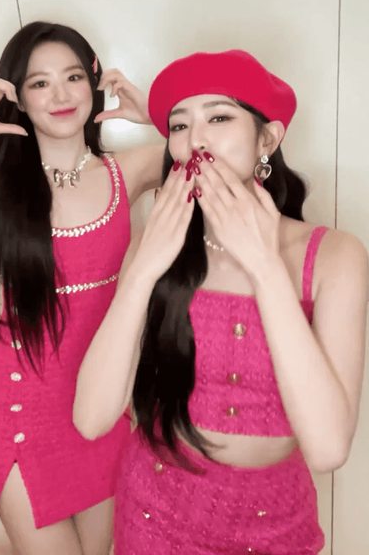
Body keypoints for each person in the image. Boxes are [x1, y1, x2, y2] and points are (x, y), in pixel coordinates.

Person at [74, 50, 368, 554]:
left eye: (219, 118)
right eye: (179, 125)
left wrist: (264, 266)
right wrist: (142, 270)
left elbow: (327, 448)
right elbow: (91, 418)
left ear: (268, 139)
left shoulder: (336, 257)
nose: (196, 141)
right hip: (153, 515)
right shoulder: (153, 245)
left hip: (276, 524)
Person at [0, 21, 164, 555]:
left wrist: (162, 120)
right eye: (39, 83)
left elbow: (229, 162)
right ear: (18, 99)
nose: (61, 94)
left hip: (99, 404)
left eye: (73, 76)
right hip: (18, 412)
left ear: (94, 80)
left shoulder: (131, 171)